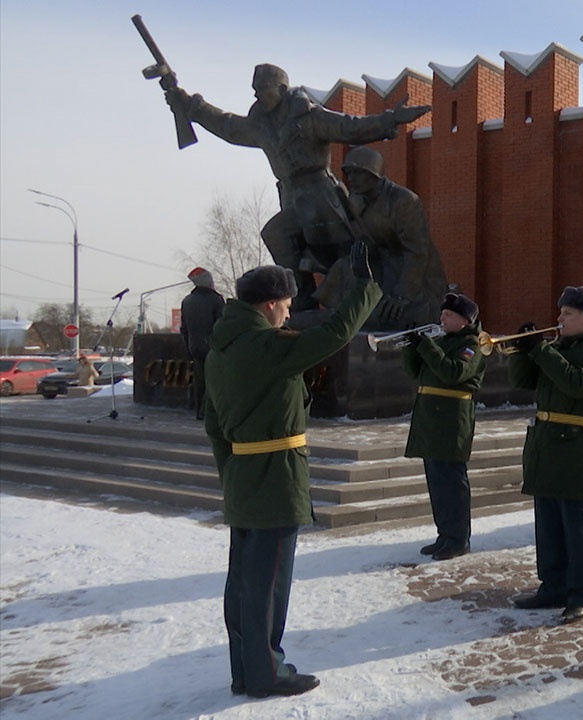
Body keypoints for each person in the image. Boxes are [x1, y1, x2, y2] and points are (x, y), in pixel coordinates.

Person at [203, 243, 381, 698]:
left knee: (244, 580)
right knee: (269, 582)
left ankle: (246, 669)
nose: (288, 312)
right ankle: (268, 673)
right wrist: (364, 286)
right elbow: (336, 333)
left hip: (245, 474)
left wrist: (234, 471)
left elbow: (213, 423)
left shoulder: (222, 347)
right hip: (275, 477)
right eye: (285, 304)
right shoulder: (264, 345)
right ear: (268, 305)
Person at [165, 64, 429, 310]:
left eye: (263, 89)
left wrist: (391, 120)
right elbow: (228, 125)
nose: (258, 95)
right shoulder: (261, 124)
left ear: (281, 89)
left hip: (320, 196)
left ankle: (350, 300)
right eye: (255, 90)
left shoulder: (309, 115)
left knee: (335, 250)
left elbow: (350, 127)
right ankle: (303, 302)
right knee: (291, 242)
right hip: (291, 195)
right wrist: (190, 106)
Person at [508, 287, 583, 624]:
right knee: (548, 522)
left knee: (575, 524)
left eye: (567, 314)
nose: (559, 319)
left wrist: (541, 350)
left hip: (575, 442)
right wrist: (522, 350)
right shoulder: (558, 348)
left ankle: (581, 592)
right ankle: (552, 585)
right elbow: (523, 380)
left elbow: (578, 384)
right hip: (545, 441)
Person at [318, 145, 448, 330]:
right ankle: (341, 316)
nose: (351, 179)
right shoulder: (356, 199)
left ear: (374, 173)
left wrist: (402, 294)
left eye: (357, 173)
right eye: (349, 173)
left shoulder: (404, 201)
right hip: (383, 265)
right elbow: (361, 238)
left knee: (395, 314)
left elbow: (417, 252)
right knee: (344, 267)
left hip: (415, 274)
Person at [403, 292, 486, 561]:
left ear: (464, 321)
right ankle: (444, 534)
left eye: (448, 315)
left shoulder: (471, 345)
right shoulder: (443, 341)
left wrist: (427, 346)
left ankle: (459, 538)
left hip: (452, 421)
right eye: (442, 314)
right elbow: (415, 371)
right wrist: (410, 346)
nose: (442, 318)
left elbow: (453, 373)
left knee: (452, 483)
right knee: (437, 482)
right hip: (432, 420)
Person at [180, 267, 226, 419]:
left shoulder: (187, 301)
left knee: (200, 382)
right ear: (208, 281)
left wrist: (189, 348)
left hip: (195, 348)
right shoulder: (216, 300)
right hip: (213, 348)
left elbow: (184, 329)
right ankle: (210, 412)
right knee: (215, 381)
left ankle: (200, 411)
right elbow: (221, 326)